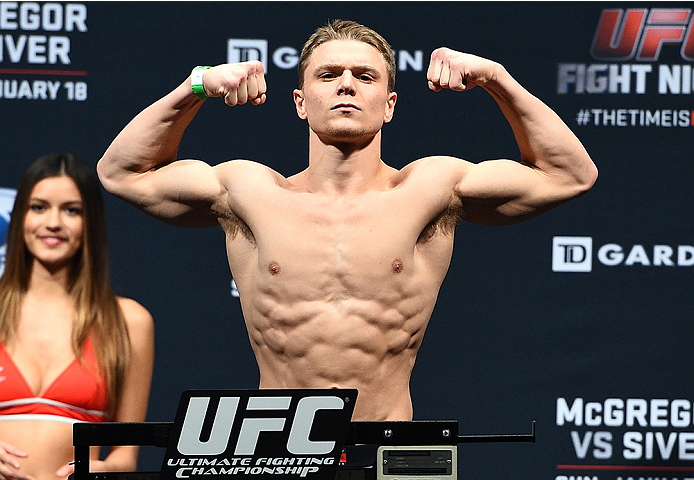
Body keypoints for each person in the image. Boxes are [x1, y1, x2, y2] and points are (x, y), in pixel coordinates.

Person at [97, 20, 596, 422]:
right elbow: (121, 173)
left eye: (365, 76)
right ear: (300, 102)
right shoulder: (250, 192)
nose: (346, 87)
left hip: (388, 450)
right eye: (329, 74)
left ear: (389, 106)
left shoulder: (429, 189)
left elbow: (570, 175)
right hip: (280, 451)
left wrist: (496, 79)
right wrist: (198, 85)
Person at [0, 154, 155, 480]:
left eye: (71, 210)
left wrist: (99, 471)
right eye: (38, 207)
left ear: (90, 223)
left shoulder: (128, 321)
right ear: (19, 218)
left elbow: (124, 459)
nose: (53, 222)